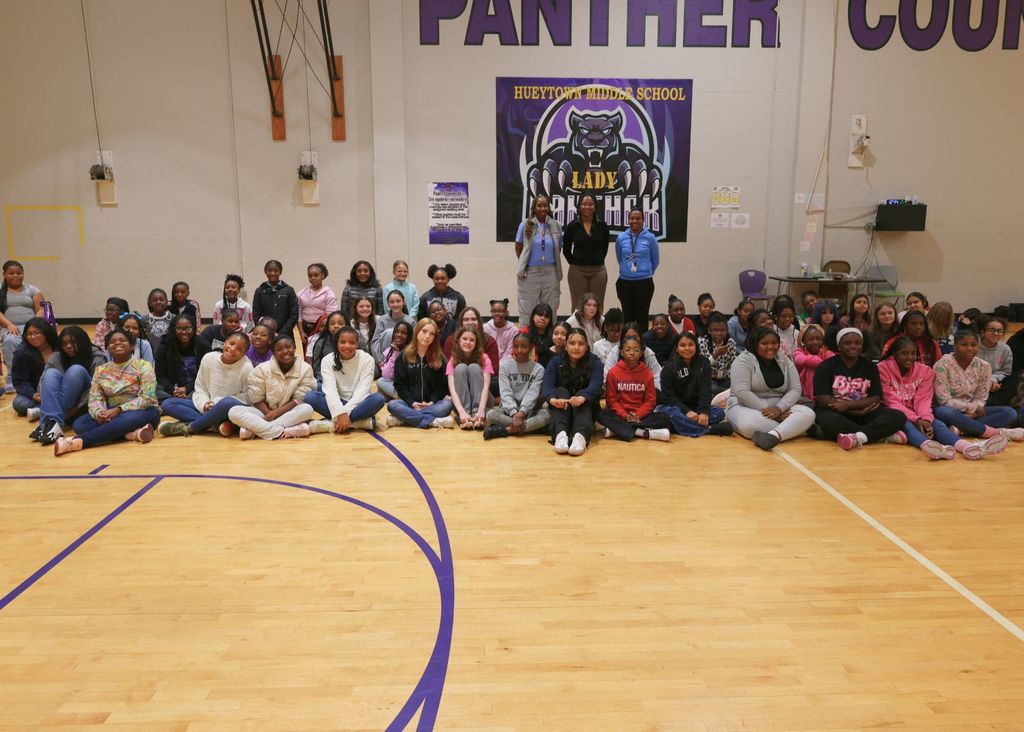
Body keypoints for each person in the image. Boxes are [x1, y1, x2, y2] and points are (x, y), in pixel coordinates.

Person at [54, 328, 160, 456]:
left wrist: (119, 410)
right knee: (79, 424)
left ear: (132, 346)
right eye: (112, 342)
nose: (117, 343)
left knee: (126, 420)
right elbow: (95, 398)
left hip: (143, 411)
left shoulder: (144, 366)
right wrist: (99, 413)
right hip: (111, 411)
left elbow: (147, 398)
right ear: (107, 348)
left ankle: (79, 441)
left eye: (122, 340)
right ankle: (131, 434)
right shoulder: (101, 370)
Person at [811, 328, 906, 450]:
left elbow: (876, 397)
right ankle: (877, 435)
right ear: (839, 346)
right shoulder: (826, 366)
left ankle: (858, 436)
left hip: (864, 411)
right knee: (826, 420)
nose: (853, 346)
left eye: (858, 343)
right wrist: (848, 410)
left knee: (898, 416)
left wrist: (850, 406)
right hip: (835, 412)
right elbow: (822, 398)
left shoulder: (870, 366)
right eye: (848, 343)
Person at [725, 327, 816, 450]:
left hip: (779, 405)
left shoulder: (783, 358)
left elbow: (795, 388)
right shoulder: (742, 360)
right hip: (745, 406)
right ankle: (798, 429)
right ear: (755, 344)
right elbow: (741, 392)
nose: (771, 347)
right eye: (764, 343)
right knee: (751, 425)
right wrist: (769, 411)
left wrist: (779, 408)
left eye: (774, 343)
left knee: (808, 413)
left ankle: (773, 436)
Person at [877, 336, 964, 459]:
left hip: (917, 412)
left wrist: (926, 419)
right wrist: (917, 420)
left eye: (913, 354)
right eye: (904, 353)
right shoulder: (882, 369)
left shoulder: (925, 371)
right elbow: (891, 402)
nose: (909, 357)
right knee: (907, 425)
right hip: (894, 413)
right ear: (894, 353)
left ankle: (965, 447)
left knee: (937, 424)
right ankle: (930, 447)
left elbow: (923, 400)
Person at [932, 329, 1022, 447]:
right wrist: (973, 408)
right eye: (964, 345)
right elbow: (943, 401)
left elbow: (981, 396)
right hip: (951, 411)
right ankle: (998, 432)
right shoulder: (942, 366)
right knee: (943, 411)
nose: (969, 348)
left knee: (1009, 413)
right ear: (955, 346)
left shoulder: (984, 366)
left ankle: (961, 429)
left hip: (974, 413)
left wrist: (973, 412)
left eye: (973, 345)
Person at [158, 331, 254, 437]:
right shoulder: (209, 358)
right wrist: (205, 404)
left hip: (228, 409)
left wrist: (217, 403)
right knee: (168, 404)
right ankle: (214, 424)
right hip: (207, 406)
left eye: (239, 349)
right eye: (231, 343)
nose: (232, 349)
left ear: (244, 353)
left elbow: (248, 397)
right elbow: (200, 387)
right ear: (225, 342)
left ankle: (191, 427)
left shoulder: (247, 367)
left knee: (226, 402)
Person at [228, 334, 315, 440]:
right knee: (233, 411)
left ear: (295, 347)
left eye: (288, 347)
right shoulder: (262, 369)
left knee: (307, 409)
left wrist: (274, 414)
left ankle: (254, 431)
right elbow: (256, 398)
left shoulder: (306, 369)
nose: (285, 351)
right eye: (279, 349)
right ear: (273, 353)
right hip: (263, 413)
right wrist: (269, 413)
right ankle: (280, 432)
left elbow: (299, 399)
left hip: (288, 413)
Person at [32, 326, 107, 446]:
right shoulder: (57, 356)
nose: (68, 346)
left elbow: (99, 389)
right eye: (64, 344)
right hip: (63, 406)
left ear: (82, 341)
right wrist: (46, 397)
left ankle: (48, 423)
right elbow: (42, 383)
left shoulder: (96, 356)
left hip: (84, 405)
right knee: (50, 373)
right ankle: (52, 424)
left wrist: (76, 408)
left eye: (72, 342)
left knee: (76, 370)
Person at [306, 326, 386, 433]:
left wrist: (344, 413)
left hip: (359, 403)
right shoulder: (328, 360)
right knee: (309, 397)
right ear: (337, 343)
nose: (347, 346)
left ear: (357, 344)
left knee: (378, 399)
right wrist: (340, 412)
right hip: (337, 401)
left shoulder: (367, 359)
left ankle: (333, 423)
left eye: (352, 343)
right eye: (343, 342)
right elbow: (330, 391)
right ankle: (357, 423)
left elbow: (363, 390)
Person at [655, 331, 731, 437]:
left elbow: (705, 390)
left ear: (696, 346)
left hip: (696, 407)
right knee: (669, 415)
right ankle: (710, 429)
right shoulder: (668, 368)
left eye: (690, 344)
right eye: (682, 345)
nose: (687, 348)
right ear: (676, 348)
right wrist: (687, 411)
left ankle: (685, 426)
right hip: (676, 408)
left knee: (719, 412)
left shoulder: (704, 363)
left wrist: (703, 412)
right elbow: (668, 397)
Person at [543, 327, 604, 456]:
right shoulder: (556, 361)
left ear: (587, 347)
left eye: (581, 344)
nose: (576, 348)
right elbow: (547, 385)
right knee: (560, 390)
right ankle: (561, 435)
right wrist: (553, 399)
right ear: (565, 346)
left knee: (583, 393)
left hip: (586, 408)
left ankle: (580, 436)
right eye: (572, 343)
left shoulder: (595, 362)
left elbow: (596, 385)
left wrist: (583, 397)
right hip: (563, 408)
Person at [600, 335, 671, 442]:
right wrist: (625, 416)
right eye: (628, 350)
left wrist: (638, 415)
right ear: (622, 352)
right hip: (621, 415)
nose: (632, 353)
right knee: (601, 415)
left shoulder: (647, 373)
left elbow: (650, 401)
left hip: (641, 416)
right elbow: (612, 401)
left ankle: (617, 430)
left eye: (636, 350)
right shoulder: (613, 373)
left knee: (664, 418)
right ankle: (644, 433)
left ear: (641, 353)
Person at [385, 318, 454, 429]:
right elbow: (400, 385)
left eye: (432, 334)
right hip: (410, 405)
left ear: (435, 338)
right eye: (424, 331)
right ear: (417, 332)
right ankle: (432, 421)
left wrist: (432, 402)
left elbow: (442, 387)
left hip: (432, 405)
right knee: (393, 405)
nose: (427, 336)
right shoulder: (403, 356)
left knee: (447, 405)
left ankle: (405, 419)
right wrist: (412, 403)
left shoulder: (439, 358)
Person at [484, 332, 550, 439]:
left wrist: (521, 413)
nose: (519, 350)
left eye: (523, 347)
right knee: (490, 415)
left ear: (531, 348)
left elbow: (532, 394)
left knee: (547, 414)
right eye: (516, 346)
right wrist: (515, 414)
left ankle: (506, 430)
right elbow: (505, 393)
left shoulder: (539, 369)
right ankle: (528, 427)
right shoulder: (505, 366)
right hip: (508, 411)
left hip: (529, 410)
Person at [514, 195, 563, 320]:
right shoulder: (525, 224)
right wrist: (524, 265)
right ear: (534, 208)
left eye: (545, 205)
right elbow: (519, 247)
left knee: (551, 307)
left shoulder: (555, 225)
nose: (542, 208)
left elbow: (558, 248)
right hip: (531, 271)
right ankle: (526, 337)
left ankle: (549, 336)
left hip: (551, 271)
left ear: (549, 207)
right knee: (527, 307)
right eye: (539, 205)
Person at [562, 192, 610, 311]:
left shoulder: (602, 226)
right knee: (578, 307)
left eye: (590, 204)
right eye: (584, 204)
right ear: (579, 206)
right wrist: (575, 262)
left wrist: (596, 259)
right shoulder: (572, 226)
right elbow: (566, 250)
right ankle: (577, 330)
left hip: (598, 271)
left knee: (597, 306)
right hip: (577, 271)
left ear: (595, 206)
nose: (587, 207)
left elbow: (605, 248)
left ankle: (596, 330)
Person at [614, 207, 659, 328]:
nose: (635, 221)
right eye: (632, 218)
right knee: (627, 316)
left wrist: (645, 272)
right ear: (628, 220)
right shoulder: (621, 237)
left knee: (642, 316)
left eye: (638, 218)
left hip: (644, 282)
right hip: (624, 282)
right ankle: (627, 343)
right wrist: (627, 270)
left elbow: (655, 260)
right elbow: (620, 258)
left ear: (643, 220)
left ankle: (641, 344)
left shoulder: (650, 237)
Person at [10, 317, 58, 417]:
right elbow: (19, 381)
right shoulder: (21, 353)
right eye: (29, 334)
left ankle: (42, 410)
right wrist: (33, 395)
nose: (33, 337)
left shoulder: (58, 346)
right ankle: (53, 407)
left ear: (46, 332)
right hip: (36, 391)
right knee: (19, 404)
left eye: (37, 332)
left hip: (58, 388)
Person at [446, 326, 493, 429]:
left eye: (472, 340)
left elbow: (486, 387)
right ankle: (465, 417)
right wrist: (462, 412)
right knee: (461, 367)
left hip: (482, 402)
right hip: (461, 405)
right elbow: (452, 390)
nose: (468, 342)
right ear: (458, 341)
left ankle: (478, 416)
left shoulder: (484, 358)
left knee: (474, 367)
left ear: (476, 343)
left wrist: (481, 410)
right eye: (464, 339)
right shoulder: (453, 360)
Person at [155, 315, 201, 402]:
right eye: (179, 329)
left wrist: (187, 388)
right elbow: (160, 375)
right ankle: (181, 402)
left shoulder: (201, 344)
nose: (184, 332)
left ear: (194, 329)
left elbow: (205, 376)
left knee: (202, 393)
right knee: (154, 389)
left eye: (188, 328)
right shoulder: (165, 345)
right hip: (171, 389)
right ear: (173, 330)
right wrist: (174, 391)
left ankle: (174, 403)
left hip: (194, 388)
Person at [603, 322, 662, 387]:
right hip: (620, 391)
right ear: (622, 339)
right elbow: (607, 376)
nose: (631, 340)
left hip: (644, 391)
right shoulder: (615, 352)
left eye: (635, 337)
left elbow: (658, 376)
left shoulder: (647, 352)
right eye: (628, 337)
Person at [442, 306, 500, 371]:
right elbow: (448, 368)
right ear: (461, 323)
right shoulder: (451, 340)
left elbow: (494, 369)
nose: (470, 322)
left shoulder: (490, 341)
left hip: (483, 378)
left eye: (473, 319)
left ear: (479, 322)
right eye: (466, 319)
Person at [252, 259, 298, 341]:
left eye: (276, 270)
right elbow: (256, 315)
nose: (272, 273)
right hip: (265, 336)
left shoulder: (289, 290)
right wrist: (264, 331)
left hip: (285, 335)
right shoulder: (259, 291)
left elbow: (293, 315)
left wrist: (281, 333)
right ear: (265, 272)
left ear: (280, 272)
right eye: (269, 270)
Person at [297, 263, 338, 353]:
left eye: (316, 275)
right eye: (310, 276)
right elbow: (298, 312)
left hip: (322, 329)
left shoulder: (328, 293)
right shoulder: (302, 292)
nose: (313, 278)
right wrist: (301, 331)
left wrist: (322, 330)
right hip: (305, 329)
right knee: (306, 353)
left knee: (320, 353)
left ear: (322, 275)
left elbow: (330, 315)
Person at [976, 315, 1015, 406]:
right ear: (983, 332)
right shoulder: (973, 344)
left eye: (999, 331)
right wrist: (985, 383)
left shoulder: (1005, 349)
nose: (996, 333)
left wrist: (992, 380)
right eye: (992, 330)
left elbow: (1005, 371)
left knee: (1015, 379)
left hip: (994, 384)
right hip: (971, 382)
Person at [697, 312, 737, 393]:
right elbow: (702, 367)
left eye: (723, 330)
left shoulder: (731, 343)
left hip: (725, 378)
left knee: (738, 384)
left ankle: (726, 393)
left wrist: (718, 375)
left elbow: (733, 367)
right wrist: (716, 354)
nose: (719, 333)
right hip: (708, 378)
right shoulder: (702, 341)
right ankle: (727, 393)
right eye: (715, 330)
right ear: (709, 330)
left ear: (727, 330)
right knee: (712, 388)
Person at [793, 323, 833, 403]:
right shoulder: (799, 352)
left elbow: (833, 364)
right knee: (811, 367)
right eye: (811, 339)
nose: (815, 342)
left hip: (825, 391)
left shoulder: (827, 353)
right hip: (803, 393)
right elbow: (799, 360)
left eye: (818, 339)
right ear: (803, 341)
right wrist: (823, 365)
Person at [375, 321, 413, 399]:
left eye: (404, 333)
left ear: (409, 336)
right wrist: (395, 354)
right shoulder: (390, 351)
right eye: (397, 332)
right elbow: (386, 376)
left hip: (409, 387)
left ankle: (402, 397)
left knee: (381, 391)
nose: (399, 335)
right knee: (381, 382)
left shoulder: (412, 352)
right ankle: (399, 397)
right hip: (395, 384)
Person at [483, 298, 518, 364]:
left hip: (506, 363)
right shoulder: (485, 328)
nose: (497, 313)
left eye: (500, 311)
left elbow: (509, 352)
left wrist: (500, 364)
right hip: (488, 362)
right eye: (494, 311)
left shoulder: (514, 330)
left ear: (506, 313)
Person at [520, 303, 554, 368]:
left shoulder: (553, 335)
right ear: (533, 316)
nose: (543, 318)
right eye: (540, 315)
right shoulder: (524, 333)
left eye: (546, 316)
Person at [144, 288, 174, 352]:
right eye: (155, 300)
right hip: (152, 355)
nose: (158, 302)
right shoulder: (144, 319)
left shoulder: (174, 318)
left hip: (170, 354)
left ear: (166, 301)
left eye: (161, 300)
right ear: (150, 303)